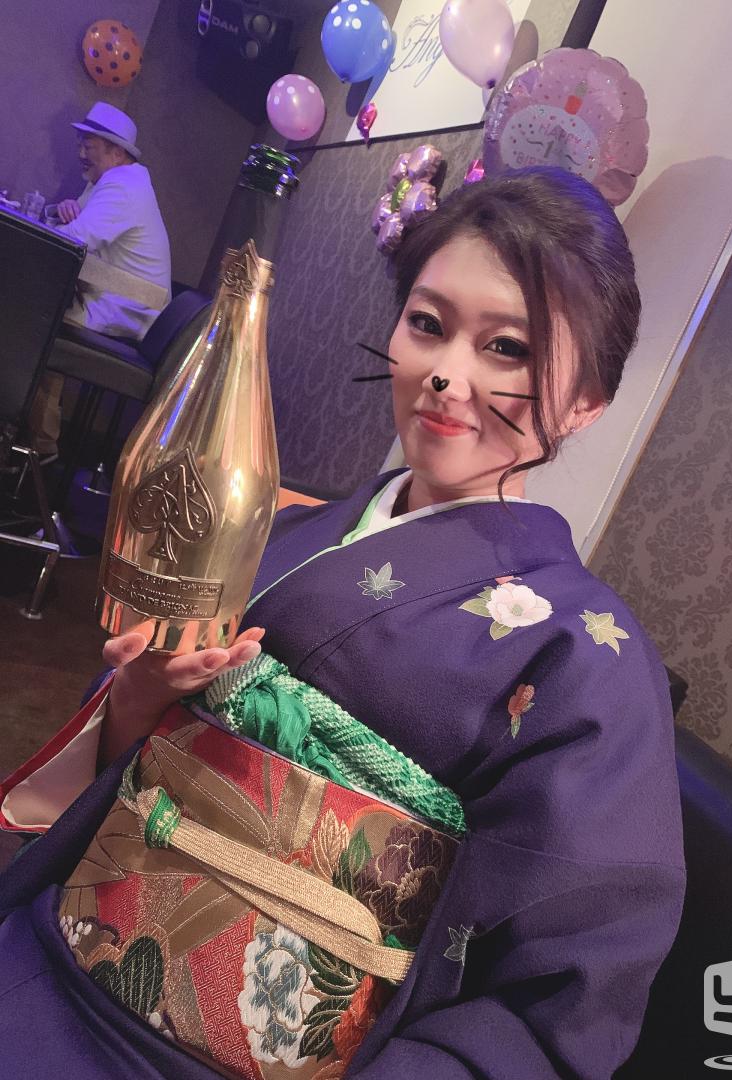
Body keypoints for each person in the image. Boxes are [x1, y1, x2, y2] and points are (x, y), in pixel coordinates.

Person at [0, 167, 685, 1079]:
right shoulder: (281, 527)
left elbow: (555, 1005)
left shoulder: (588, 662)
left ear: (587, 400)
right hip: (57, 946)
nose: (445, 375)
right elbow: (131, 758)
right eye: (428, 324)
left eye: (507, 348)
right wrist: (134, 702)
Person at [29, 102, 171, 458]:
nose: (80, 153)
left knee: (32, 315)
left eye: (87, 145)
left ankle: (39, 442)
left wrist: (47, 226)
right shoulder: (112, 181)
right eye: (81, 144)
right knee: (35, 307)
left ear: (116, 151)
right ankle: (36, 434)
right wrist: (61, 213)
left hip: (128, 308)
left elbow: (76, 240)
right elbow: (78, 230)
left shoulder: (122, 186)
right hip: (112, 297)